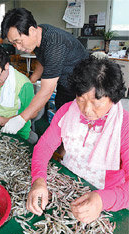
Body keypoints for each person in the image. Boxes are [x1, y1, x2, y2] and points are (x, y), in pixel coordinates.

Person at [26, 57, 129, 224]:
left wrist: (102, 200)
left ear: (113, 98)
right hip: (69, 185)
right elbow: (44, 146)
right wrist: (38, 180)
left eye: (96, 103)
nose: (87, 110)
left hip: (107, 198)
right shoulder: (67, 112)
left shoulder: (124, 126)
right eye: (81, 100)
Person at [1, 7, 88, 134]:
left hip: (83, 87)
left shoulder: (55, 44)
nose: (18, 47)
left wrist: (20, 119)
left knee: (78, 127)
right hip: (65, 83)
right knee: (63, 121)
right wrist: (31, 81)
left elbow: (47, 90)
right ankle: (63, 148)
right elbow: (42, 60)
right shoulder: (39, 33)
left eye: (18, 42)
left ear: (31, 30)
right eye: (13, 43)